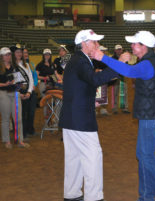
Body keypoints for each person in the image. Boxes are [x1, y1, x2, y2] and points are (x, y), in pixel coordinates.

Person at [91, 30, 155, 201]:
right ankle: (146, 196)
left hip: (150, 115)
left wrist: (103, 58)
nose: (132, 46)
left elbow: (129, 72)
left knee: (146, 156)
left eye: (135, 43)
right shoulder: (152, 61)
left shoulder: (148, 63)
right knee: (143, 155)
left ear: (144, 47)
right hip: (151, 113)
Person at [59, 29, 118, 201]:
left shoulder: (77, 61)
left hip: (71, 117)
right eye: (94, 42)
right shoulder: (81, 62)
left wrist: (90, 98)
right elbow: (94, 80)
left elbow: (79, 86)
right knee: (93, 156)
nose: (98, 45)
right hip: (81, 119)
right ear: (84, 44)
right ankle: (94, 197)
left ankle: (72, 194)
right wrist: (117, 64)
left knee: (74, 158)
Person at [0, 47, 29, 149]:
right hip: (3, 94)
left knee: (18, 118)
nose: (8, 56)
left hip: (15, 93)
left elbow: (21, 81)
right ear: (2, 56)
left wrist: (20, 85)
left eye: (9, 54)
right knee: (6, 118)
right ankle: (7, 140)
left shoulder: (15, 67)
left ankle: (20, 140)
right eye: (5, 55)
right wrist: (4, 84)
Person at [10, 44, 34, 141]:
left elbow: (31, 79)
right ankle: (19, 136)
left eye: (20, 52)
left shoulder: (26, 65)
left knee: (25, 113)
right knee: (18, 115)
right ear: (13, 53)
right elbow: (11, 81)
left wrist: (28, 92)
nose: (19, 54)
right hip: (17, 91)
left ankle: (23, 134)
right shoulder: (11, 66)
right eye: (17, 52)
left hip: (26, 91)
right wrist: (18, 93)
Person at [111, 44, 131, 114]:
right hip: (115, 77)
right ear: (115, 50)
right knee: (115, 93)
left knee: (123, 92)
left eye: (120, 49)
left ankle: (124, 108)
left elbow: (126, 66)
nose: (119, 50)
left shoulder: (124, 57)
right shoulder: (113, 58)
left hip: (122, 76)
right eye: (118, 49)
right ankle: (114, 108)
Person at [23, 48, 38, 136]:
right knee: (25, 111)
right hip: (25, 90)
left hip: (32, 90)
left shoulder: (31, 64)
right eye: (24, 53)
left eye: (26, 53)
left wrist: (34, 84)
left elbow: (35, 76)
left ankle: (31, 129)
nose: (26, 54)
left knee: (32, 112)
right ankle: (25, 130)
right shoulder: (20, 65)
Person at [92, 45, 111, 116]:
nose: (105, 52)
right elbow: (94, 69)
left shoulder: (105, 60)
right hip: (97, 79)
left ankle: (103, 109)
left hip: (103, 79)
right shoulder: (95, 60)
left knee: (104, 93)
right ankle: (95, 110)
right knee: (97, 95)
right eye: (103, 50)